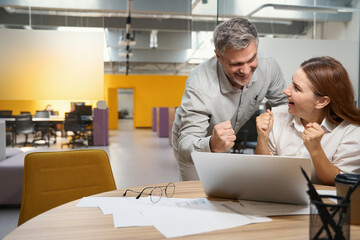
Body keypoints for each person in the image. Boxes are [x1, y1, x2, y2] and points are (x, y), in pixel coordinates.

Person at [172, 18, 288, 181]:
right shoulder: (200, 83)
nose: (246, 70)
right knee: (197, 194)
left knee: (222, 190)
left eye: (251, 59)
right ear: (219, 57)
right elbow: (186, 144)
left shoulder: (268, 65)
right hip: (196, 145)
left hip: (226, 141)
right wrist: (212, 144)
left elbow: (284, 106)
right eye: (237, 64)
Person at [255, 56, 360, 185]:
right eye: (291, 83)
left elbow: (339, 182)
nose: (286, 91)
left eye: (297, 88)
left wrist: (315, 149)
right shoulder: (277, 116)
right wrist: (262, 138)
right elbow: (263, 171)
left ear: (322, 101)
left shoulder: (351, 131)